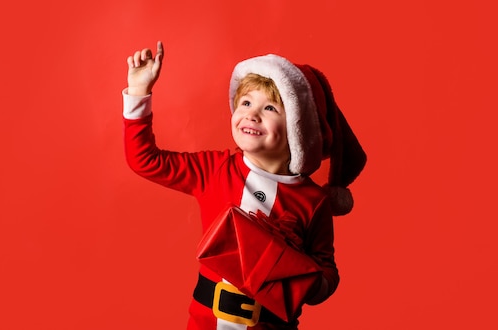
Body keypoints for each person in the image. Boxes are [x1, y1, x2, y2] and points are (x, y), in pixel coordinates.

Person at [123, 41, 366, 330]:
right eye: (246, 103)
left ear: (299, 128)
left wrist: (296, 273)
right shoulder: (214, 170)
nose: (252, 114)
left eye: (271, 107)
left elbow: (328, 273)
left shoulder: (313, 201)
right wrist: (139, 92)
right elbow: (145, 160)